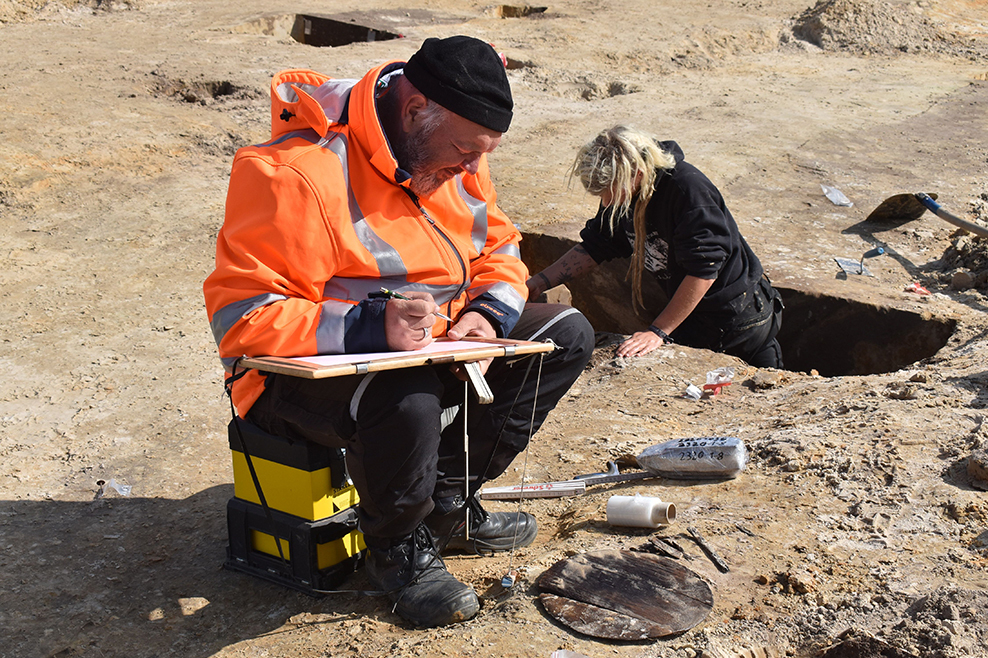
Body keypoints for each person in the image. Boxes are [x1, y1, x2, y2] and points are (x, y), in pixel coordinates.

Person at [203, 36, 593, 627]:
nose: (470, 167)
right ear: (414, 111)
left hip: (430, 342)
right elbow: (244, 320)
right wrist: (371, 327)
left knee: (566, 333)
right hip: (287, 377)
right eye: (465, 151)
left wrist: (486, 315)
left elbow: (500, 247)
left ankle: (446, 506)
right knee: (406, 394)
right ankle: (398, 546)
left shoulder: (456, 149)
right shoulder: (294, 172)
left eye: (480, 154)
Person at [527, 125, 783, 368]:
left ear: (636, 173)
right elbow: (598, 244)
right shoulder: (627, 193)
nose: (606, 202)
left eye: (611, 192)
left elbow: (704, 270)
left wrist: (658, 330)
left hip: (740, 319)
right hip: (694, 318)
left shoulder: (688, 191)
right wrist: (539, 282)